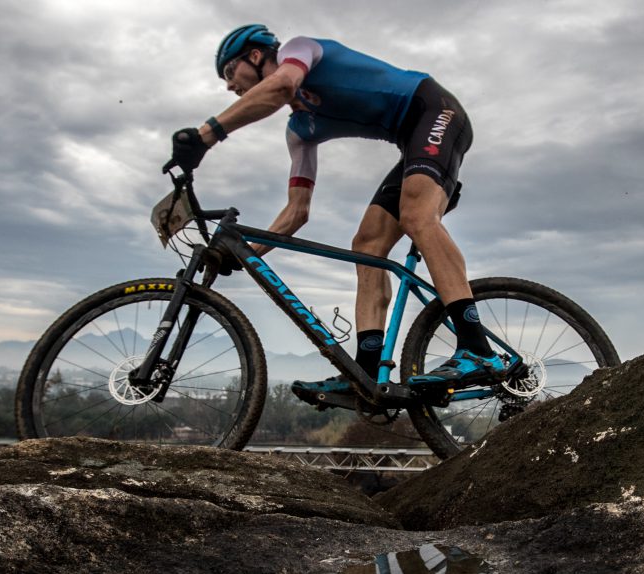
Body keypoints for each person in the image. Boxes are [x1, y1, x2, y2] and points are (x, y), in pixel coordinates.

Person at [162, 24, 515, 404]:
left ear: (256, 55)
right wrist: (244, 254)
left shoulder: (300, 49)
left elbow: (282, 86)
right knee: (367, 245)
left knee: (416, 216)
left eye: (230, 72)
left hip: (435, 110)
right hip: (410, 140)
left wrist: (206, 135)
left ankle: (478, 349)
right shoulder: (300, 130)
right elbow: (297, 211)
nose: (230, 85)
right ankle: (365, 372)